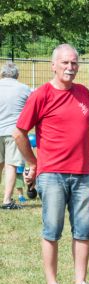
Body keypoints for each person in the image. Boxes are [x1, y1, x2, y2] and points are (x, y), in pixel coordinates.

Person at [13, 44, 89, 284]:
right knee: (52, 230)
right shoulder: (41, 95)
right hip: (52, 175)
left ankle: (81, 283)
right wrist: (33, 162)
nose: (70, 67)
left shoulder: (83, 93)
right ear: (53, 65)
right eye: (65, 63)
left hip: (83, 174)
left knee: (83, 231)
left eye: (74, 63)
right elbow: (19, 133)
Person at [1, 61, 31, 209]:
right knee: (10, 165)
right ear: (17, 75)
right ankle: (7, 200)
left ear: (2, 74)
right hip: (14, 132)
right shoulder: (24, 89)